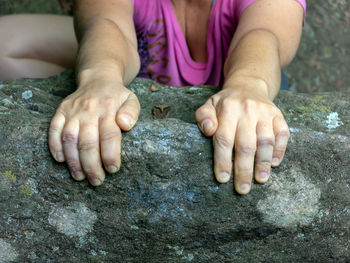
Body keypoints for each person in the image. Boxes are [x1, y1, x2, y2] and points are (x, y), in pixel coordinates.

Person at [0, 0, 306, 195]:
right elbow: (106, 22)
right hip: (134, 51)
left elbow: (264, 33)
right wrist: (100, 78)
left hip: (237, 73)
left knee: (261, 89)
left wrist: (248, 86)